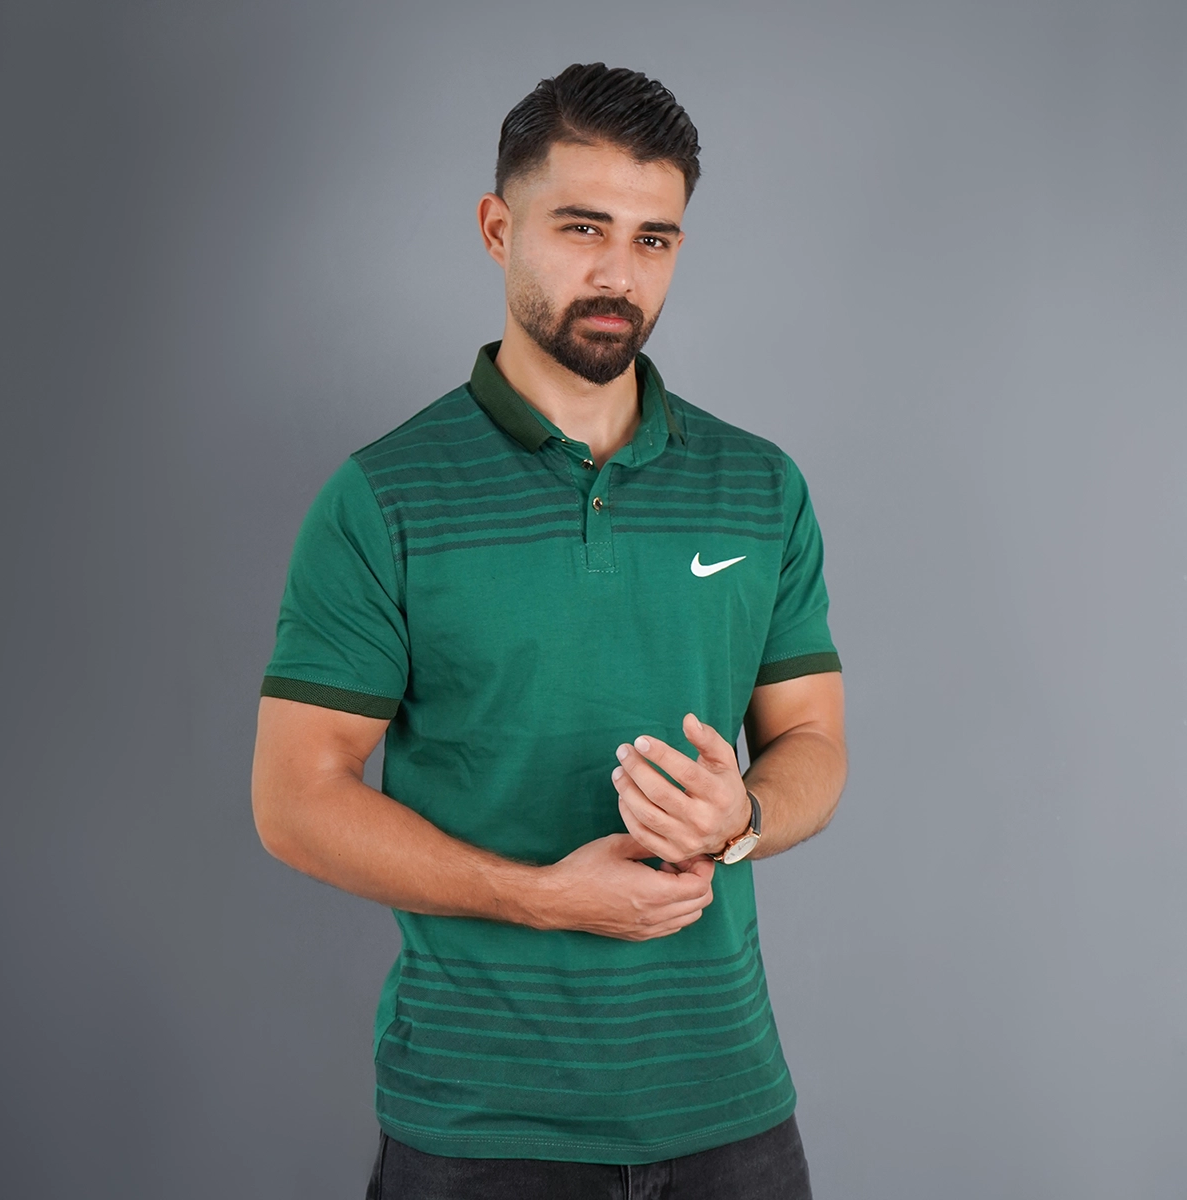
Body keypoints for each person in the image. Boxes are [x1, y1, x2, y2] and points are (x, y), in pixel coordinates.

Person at [251, 62, 846, 1199]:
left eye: (653, 239)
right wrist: (539, 895)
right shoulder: (384, 497)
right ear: (497, 227)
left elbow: (814, 740)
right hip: (481, 1126)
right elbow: (295, 798)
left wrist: (746, 817)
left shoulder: (759, 487)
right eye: (583, 228)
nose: (619, 274)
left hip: (731, 1113)